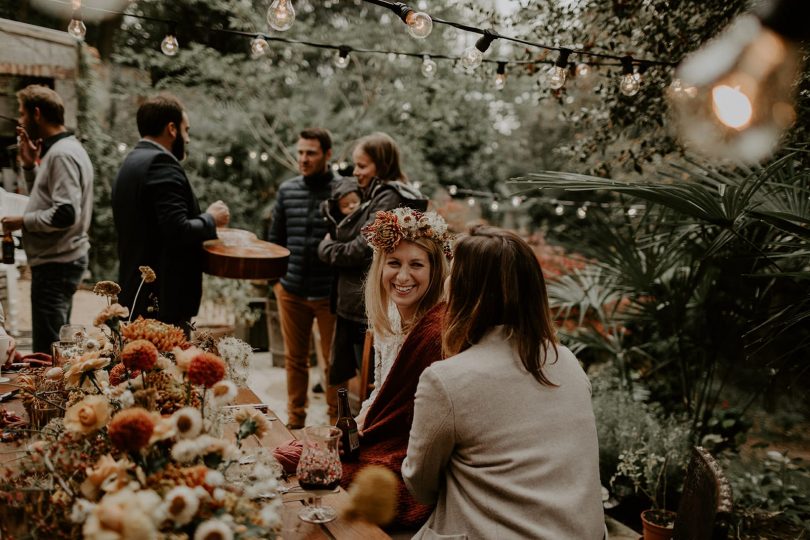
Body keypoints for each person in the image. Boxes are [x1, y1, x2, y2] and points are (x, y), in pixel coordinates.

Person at [402, 226, 605, 540]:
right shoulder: (568, 362)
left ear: (465, 290)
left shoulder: (447, 379)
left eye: (453, 273)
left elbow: (421, 486)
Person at [112, 94, 229, 335]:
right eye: (186, 130)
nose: (187, 139)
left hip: (137, 292)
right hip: (161, 299)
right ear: (172, 129)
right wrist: (211, 219)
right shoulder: (160, 163)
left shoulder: (132, 161)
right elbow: (177, 230)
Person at [318, 132, 426, 387]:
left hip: (365, 306)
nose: (356, 172)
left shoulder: (388, 196)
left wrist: (325, 247)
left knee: (372, 378)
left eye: (362, 165)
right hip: (359, 303)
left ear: (383, 165)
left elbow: (361, 249)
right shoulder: (376, 194)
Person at [1, 85, 93, 354]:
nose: (20, 121)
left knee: (49, 351)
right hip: (59, 261)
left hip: (56, 264)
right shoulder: (63, 150)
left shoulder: (62, 154)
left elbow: (65, 213)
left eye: (22, 114)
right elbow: (47, 201)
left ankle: (51, 396)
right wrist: (29, 166)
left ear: (36, 114)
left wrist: (22, 222)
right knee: (58, 344)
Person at [268, 128, 339, 428]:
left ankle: (338, 420)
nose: (303, 158)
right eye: (300, 152)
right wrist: (277, 284)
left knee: (334, 363)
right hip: (292, 289)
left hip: (329, 293)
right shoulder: (287, 191)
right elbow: (275, 240)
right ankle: (295, 419)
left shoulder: (341, 192)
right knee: (294, 359)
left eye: (310, 153)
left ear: (327, 155)